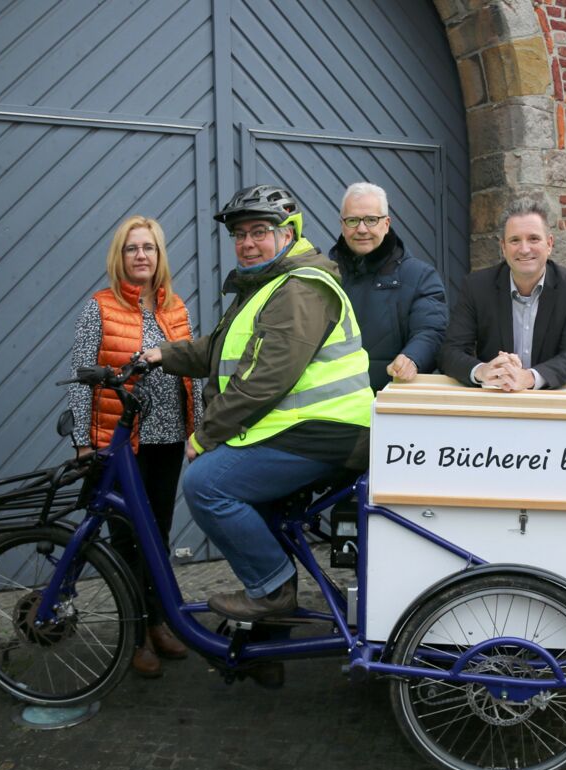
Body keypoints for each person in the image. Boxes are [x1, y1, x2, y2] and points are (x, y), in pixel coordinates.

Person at [142, 184, 372, 621]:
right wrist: (162, 354)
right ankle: (267, 640)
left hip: (328, 432)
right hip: (306, 430)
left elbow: (267, 379)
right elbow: (222, 348)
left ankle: (271, 590)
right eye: (239, 234)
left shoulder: (301, 287)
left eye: (259, 231)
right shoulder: (271, 283)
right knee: (252, 502)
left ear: (287, 234)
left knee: (206, 484)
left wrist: (205, 436)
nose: (247, 243)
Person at [68, 215, 202, 678]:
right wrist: (84, 444)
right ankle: (136, 634)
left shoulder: (176, 308)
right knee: (125, 540)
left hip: (167, 440)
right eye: (132, 248)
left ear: (160, 255)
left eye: (148, 247)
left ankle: (158, 621)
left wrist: (196, 434)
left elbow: (193, 375)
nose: (141, 255)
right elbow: (81, 378)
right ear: (119, 257)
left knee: (157, 536)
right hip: (119, 444)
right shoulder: (99, 308)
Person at [438, 198, 566, 391]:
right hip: (495, 398)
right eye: (515, 240)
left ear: (549, 244)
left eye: (533, 239)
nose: (524, 249)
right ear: (503, 247)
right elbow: (450, 352)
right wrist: (482, 371)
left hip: (549, 401)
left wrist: (529, 377)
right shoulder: (477, 287)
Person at [328, 182, 448, 390]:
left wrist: (412, 357)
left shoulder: (420, 276)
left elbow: (431, 331)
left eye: (371, 220)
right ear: (342, 225)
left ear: (386, 223)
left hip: (390, 400)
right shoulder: (325, 275)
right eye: (353, 220)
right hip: (331, 406)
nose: (362, 229)